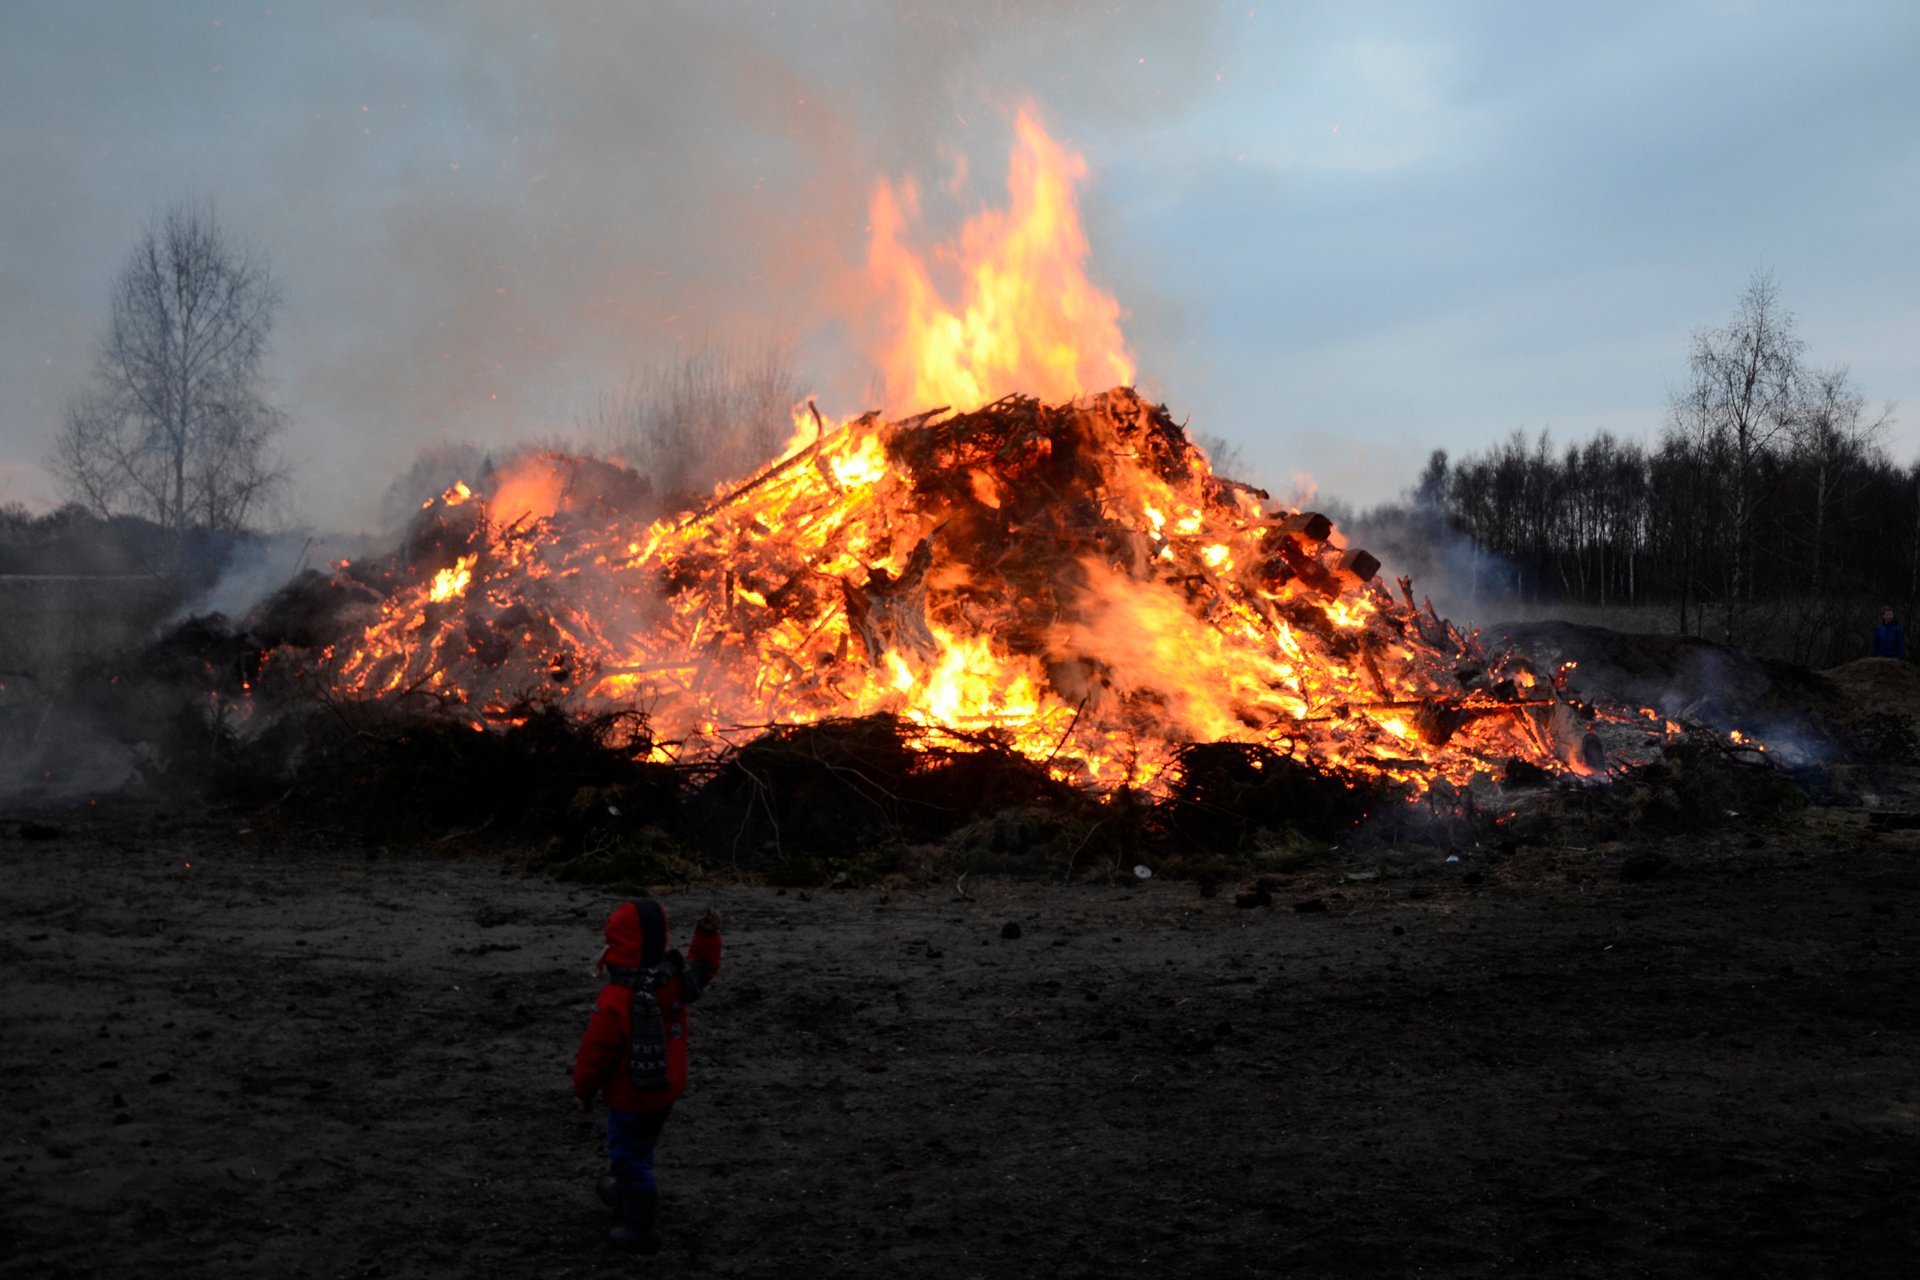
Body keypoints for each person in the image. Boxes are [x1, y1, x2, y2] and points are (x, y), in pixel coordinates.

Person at [572, 898, 723, 1254]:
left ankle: (640, 1223)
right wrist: (708, 935)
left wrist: (583, 1089)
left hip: (630, 1096)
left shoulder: (617, 997)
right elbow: (702, 968)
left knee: (628, 1155)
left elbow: (596, 1053)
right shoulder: (671, 979)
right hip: (666, 1090)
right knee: (641, 1145)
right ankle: (627, 1186)